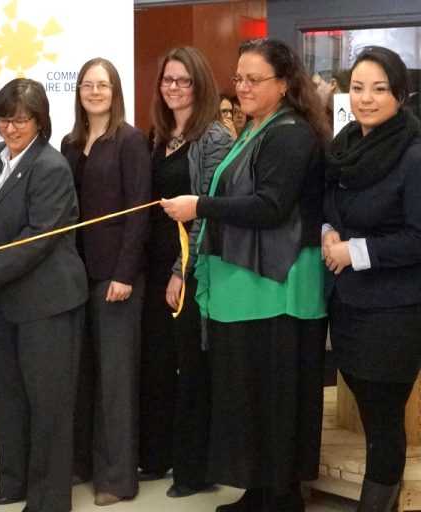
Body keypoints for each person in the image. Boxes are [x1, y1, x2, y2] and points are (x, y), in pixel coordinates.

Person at [161, 38, 331, 512]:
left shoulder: (290, 133)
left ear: (285, 84)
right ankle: (259, 489)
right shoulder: (258, 128)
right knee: (249, 394)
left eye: (254, 79)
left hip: (279, 288)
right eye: (238, 78)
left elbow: (271, 207)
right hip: (248, 284)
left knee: (273, 396)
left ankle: (280, 496)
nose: (243, 87)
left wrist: (200, 206)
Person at [0, 78, 87, 512]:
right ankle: (14, 480)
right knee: (8, 396)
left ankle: (49, 498)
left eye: (20, 120)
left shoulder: (50, 166)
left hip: (47, 300)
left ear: (40, 121)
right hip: (6, 299)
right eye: (3, 119)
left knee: (48, 404)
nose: (10, 128)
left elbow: (37, 238)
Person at [322, 46, 421, 512]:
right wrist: (328, 232)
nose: (366, 98)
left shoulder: (413, 155)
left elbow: (418, 238)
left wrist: (353, 252)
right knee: (369, 410)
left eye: (379, 89)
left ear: (399, 94)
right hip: (350, 306)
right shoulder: (346, 146)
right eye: (358, 88)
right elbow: (330, 203)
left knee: (383, 427)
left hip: (394, 313)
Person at [140, 46, 232, 497]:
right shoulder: (159, 135)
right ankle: (159, 458)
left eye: (183, 81)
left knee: (192, 369)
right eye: (167, 80)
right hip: (154, 266)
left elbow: (207, 214)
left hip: (189, 271)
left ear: (200, 85)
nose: (173, 88)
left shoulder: (213, 137)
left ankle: (195, 470)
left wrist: (182, 270)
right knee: (158, 366)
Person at [61, 57, 151, 507]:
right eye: (86, 84)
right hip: (75, 277)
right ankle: (85, 464)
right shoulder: (71, 143)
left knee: (115, 382)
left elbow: (139, 212)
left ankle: (117, 478)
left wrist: (125, 273)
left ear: (115, 91)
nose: (94, 91)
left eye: (103, 85)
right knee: (82, 377)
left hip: (116, 278)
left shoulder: (131, 141)